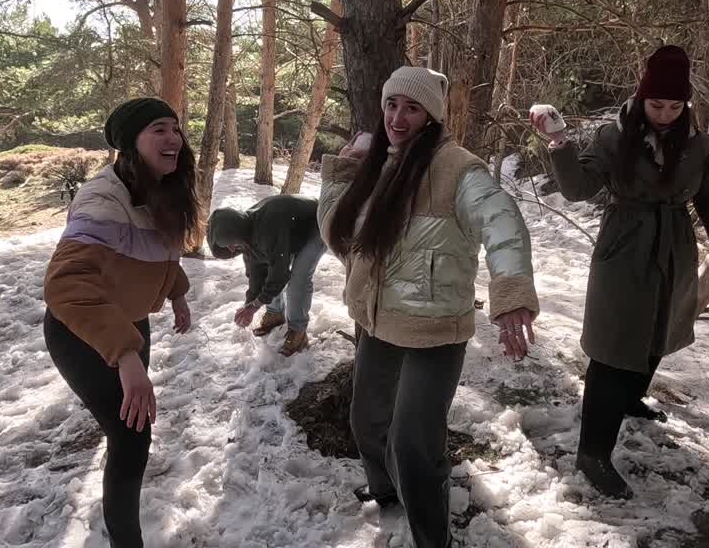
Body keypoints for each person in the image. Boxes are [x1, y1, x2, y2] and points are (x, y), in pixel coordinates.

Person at [319, 65, 540, 548]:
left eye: (412, 107)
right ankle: (387, 492)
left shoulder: (457, 168)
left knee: (415, 447)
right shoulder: (380, 160)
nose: (398, 117)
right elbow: (340, 235)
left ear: (432, 115)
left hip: (433, 330)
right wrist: (343, 172)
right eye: (391, 104)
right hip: (376, 321)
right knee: (366, 422)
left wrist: (511, 292)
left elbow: (502, 222)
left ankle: (430, 538)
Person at [529, 45, 709, 500]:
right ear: (641, 96)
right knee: (613, 349)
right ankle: (592, 453)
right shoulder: (613, 138)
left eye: (674, 106)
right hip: (625, 249)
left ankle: (631, 400)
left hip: (673, 249)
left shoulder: (696, 145)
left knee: (658, 335)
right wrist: (559, 143)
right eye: (657, 105)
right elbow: (577, 188)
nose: (665, 115)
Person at [42, 97, 200, 548]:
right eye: (158, 129)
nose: (173, 138)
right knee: (132, 439)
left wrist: (177, 291)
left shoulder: (160, 187)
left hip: (127, 325)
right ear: (132, 143)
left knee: (127, 432)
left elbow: (151, 252)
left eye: (175, 127)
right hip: (83, 332)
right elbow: (66, 285)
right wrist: (127, 357)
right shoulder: (102, 199)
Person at [206, 194, 324, 356]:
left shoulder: (267, 229)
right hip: (288, 230)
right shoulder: (245, 235)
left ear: (236, 233)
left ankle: (298, 331)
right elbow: (256, 274)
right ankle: (275, 314)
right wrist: (250, 304)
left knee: (299, 279)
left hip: (316, 223)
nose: (232, 249)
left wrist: (256, 306)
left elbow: (280, 274)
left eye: (231, 244)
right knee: (269, 270)